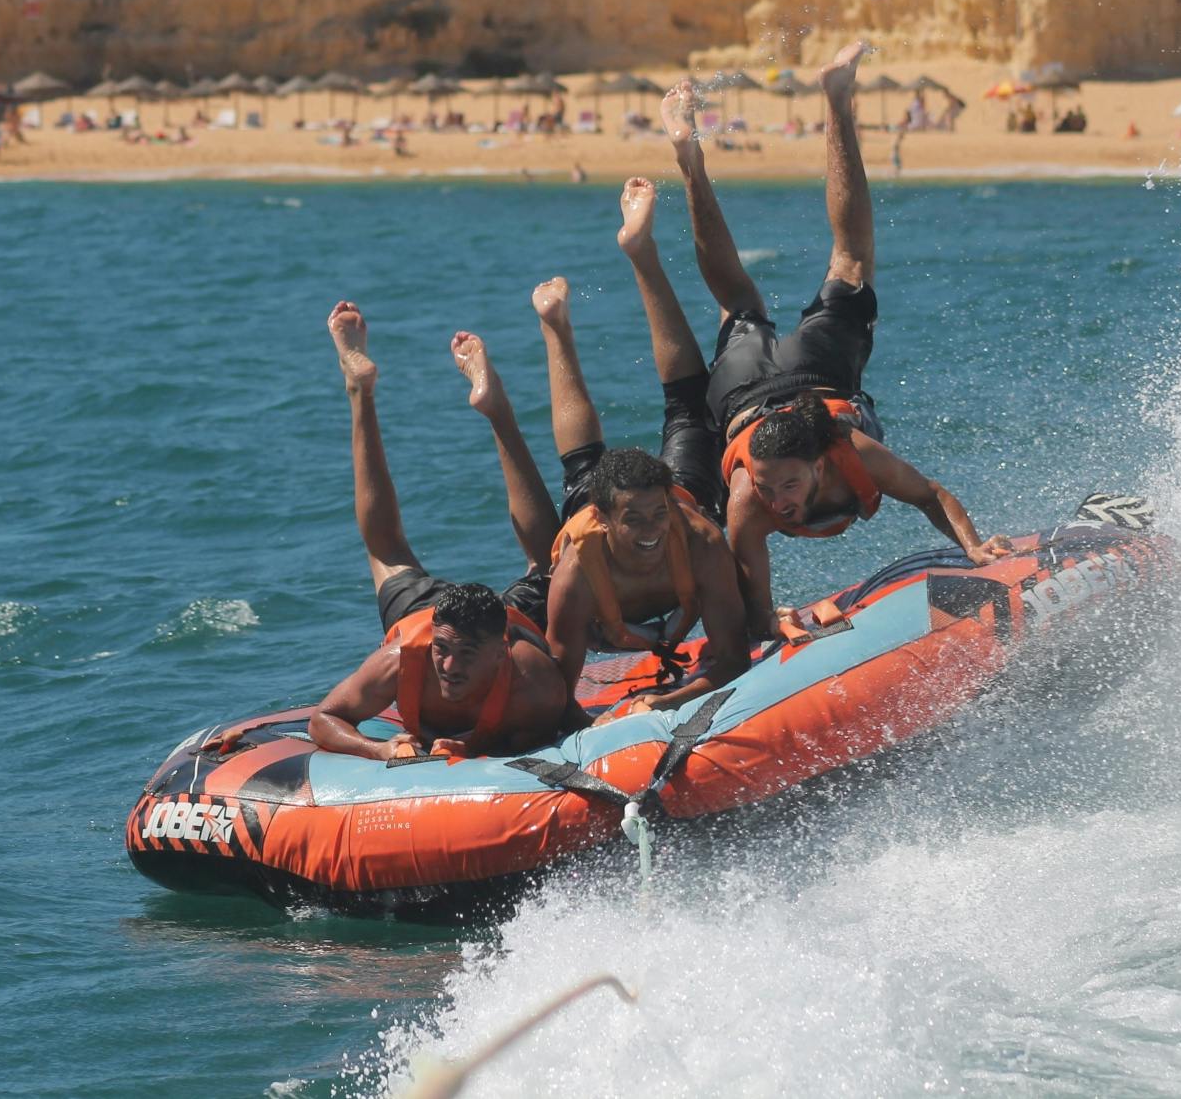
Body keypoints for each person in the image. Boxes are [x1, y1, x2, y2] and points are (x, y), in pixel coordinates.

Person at [660, 43, 1011, 639]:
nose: (777, 500)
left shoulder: (852, 451)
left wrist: (974, 548)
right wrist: (767, 627)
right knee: (834, 266)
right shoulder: (748, 499)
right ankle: (822, 102)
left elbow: (931, 495)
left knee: (745, 299)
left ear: (823, 463)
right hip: (778, 387)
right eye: (769, 486)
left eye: (788, 485)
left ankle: (711, 154)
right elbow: (755, 600)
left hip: (766, 385)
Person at [514, 180, 749, 710]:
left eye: (656, 514)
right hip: (596, 530)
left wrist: (670, 701)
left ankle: (642, 255)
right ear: (603, 519)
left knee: (690, 408)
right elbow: (561, 684)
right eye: (635, 520)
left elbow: (734, 658)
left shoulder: (700, 542)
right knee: (591, 459)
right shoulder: (578, 568)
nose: (650, 531)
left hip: (673, 497)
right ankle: (556, 328)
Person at [309, 302, 573, 760]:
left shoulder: (534, 680)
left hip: (500, 618)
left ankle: (496, 409)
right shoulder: (406, 657)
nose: (448, 666)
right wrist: (381, 750)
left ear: (500, 653)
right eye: (444, 650)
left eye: (466, 655)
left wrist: (471, 747)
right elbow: (324, 719)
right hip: (427, 613)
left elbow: (541, 734)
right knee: (386, 553)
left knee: (548, 563)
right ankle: (359, 389)